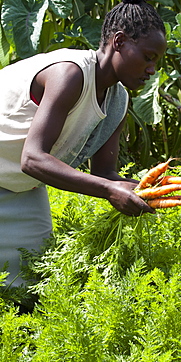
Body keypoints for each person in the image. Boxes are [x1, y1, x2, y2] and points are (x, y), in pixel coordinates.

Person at [0, 0, 167, 287]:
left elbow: (104, 174)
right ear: (119, 41)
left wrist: (142, 190)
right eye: (148, 57)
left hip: (18, 184)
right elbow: (33, 158)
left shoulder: (117, 100)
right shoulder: (70, 73)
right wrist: (109, 190)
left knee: (31, 280)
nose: (152, 69)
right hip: (21, 169)